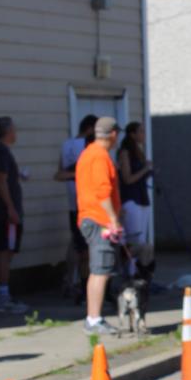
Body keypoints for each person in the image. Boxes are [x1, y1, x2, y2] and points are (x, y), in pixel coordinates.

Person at [75, 116, 122, 334]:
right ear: (113, 134)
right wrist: (113, 219)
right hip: (99, 219)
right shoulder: (100, 156)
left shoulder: (88, 153)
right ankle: (94, 319)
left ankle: (93, 318)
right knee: (101, 270)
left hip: (89, 217)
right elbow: (103, 192)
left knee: (98, 269)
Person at [0, 116, 27, 314]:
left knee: (0, 249)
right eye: (14, 129)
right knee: (4, 251)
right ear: (8, 132)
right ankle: (2, 296)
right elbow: (0, 180)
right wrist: (11, 208)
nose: (16, 133)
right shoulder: (1, 152)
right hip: (4, 213)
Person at [54, 113, 97, 299]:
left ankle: (69, 280)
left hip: (72, 201)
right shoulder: (87, 146)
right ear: (90, 129)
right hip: (86, 202)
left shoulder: (66, 144)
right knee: (86, 248)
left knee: (75, 243)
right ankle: (84, 283)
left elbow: (59, 171)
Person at [117, 122, 154, 274]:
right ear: (132, 134)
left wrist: (149, 171)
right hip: (131, 200)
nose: (144, 135)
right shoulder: (124, 153)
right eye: (141, 132)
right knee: (135, 240)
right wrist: (145, 169)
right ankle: (130, 273)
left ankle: (140, 273)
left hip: (142, 198)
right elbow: (127, 179)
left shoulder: (138, 151)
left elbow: (140, 176)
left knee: (143, 240)